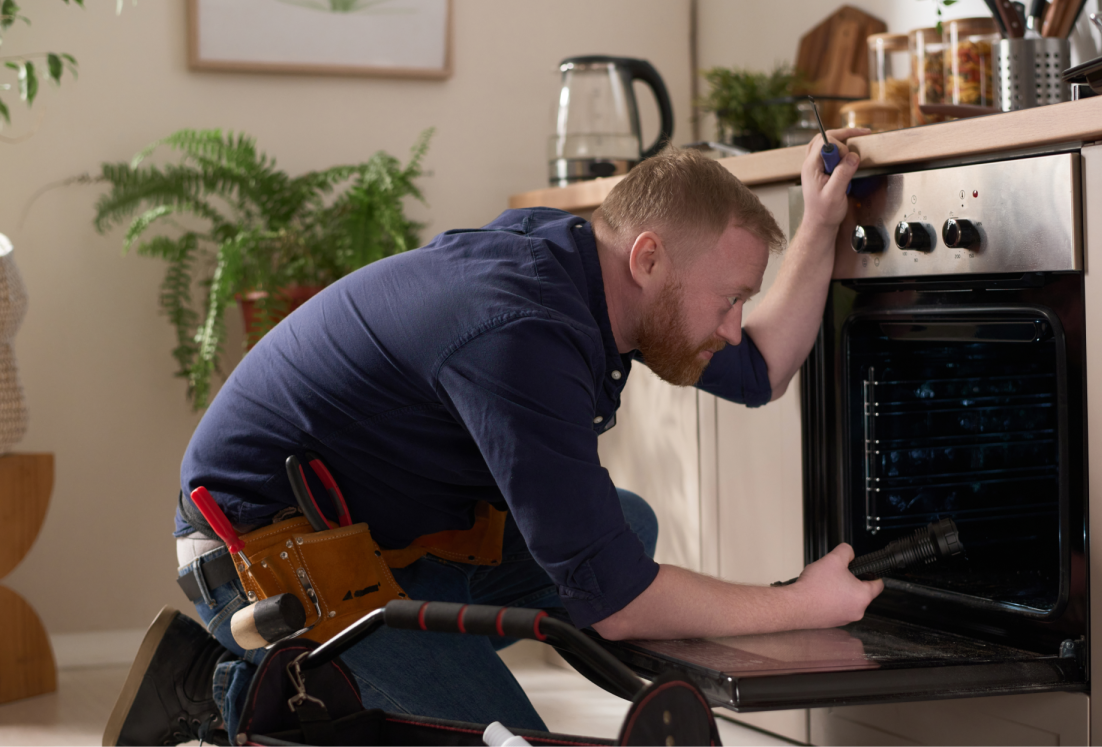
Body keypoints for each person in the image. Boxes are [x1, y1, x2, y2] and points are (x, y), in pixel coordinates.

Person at [103, 127, 881, 747]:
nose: (733, 325)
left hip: (365, 543)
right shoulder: (520, 335)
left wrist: (820, 220)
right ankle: (234, 686)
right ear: (649, 258)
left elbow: (761, 371)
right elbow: (615, 606)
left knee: (627, 524)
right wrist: (798, 604)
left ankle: (343, 681)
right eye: (730, 298)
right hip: (260, 562)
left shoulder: (582, 268)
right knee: (515, 736)